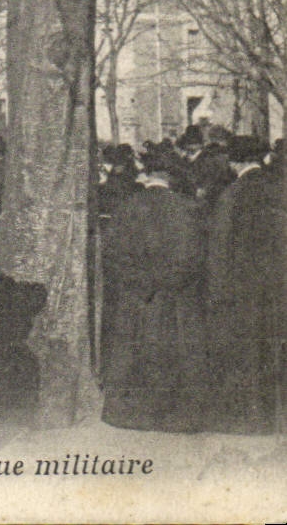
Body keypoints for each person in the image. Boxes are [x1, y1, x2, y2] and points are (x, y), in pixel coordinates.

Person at [97, 147, 207, 432]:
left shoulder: (128, 207)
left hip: (136, 296)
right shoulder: (188, 208)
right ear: (171, 177)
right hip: (175, 297)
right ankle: (176, 416)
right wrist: (166, 282)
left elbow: (112, 255)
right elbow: (193, 258)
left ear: (146, 175)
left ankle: (130, 414)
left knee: (134, 352)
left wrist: (139, 282)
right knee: (176, 353)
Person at [204, 135, 284, 434]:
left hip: (243, 290)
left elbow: (220, 249)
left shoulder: (233, 195)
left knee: (247, 354)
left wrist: (217, 292)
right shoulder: (279, 188)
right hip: (278, 286)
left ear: (234, 161)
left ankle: (251, 420)